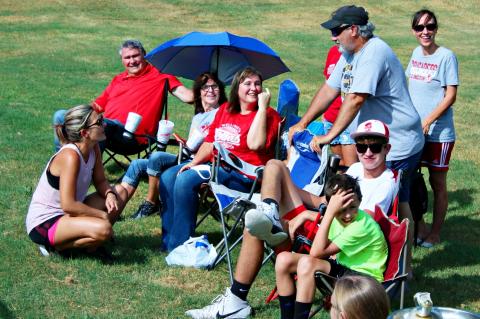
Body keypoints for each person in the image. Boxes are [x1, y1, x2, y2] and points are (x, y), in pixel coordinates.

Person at [185, 120, 396, 319]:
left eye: (375, 147)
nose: (367, 152)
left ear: (386, 149)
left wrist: (318, 213)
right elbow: (326, 201)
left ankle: (236, 298)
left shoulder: (386, 181)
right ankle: (270, 209)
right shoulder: (356, 169)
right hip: (326, 223)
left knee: (255, 227)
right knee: (275, 166)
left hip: (328, 237)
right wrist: (314, 208)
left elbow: (354, 219)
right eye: (361, 146)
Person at [288, 5, 424, 267]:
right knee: (381, 202)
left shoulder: (374, 52)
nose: (332, 37)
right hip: (373, 142)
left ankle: (400, 266)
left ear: (354, 30)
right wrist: (303, 123)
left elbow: (355, 99)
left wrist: (329, 136)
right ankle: (372, 257)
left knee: (391, 206)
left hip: (397, 141)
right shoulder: (348, 53)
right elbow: (330, 89)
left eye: (337, 31)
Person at [159, 67, 281, 253]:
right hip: (219, 167)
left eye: (257, 84)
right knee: (168, 176)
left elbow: (256, 144)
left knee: (185, 180)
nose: (253, 88)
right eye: (247, 83)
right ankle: (168, 241)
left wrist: (262, 109)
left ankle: (179, 246)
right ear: (236, 87)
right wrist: (193, 163)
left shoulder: (269, 115)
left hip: (245, 176)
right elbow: (210, 142)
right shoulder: (226, 109)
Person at [275, 174, 387, 319]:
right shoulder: (337, 217)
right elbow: (325, 221)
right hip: (345, 269)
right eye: (341, 209)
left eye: (353, 207)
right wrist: (306, 214)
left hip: (365, 280)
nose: (347, 215)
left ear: (360, 201)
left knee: (308, 263)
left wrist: (331, 212)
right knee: (283, 259)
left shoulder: (361, 226)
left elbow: (316, 253)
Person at [53, 39, 193, 153]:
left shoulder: (160, 74)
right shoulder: (118, 79)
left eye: (135, 56)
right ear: (122, 60)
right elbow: (96, 106)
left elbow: (187, 97)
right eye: (127, 57)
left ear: (144, 55)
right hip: (105, 129)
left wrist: (207, 84)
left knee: (103, 125)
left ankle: (90, 173)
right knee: (60, 116)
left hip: (133, 137)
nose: (132, 61)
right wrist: (77, 113)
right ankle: (62, 164)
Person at [27, 105, 129, 259]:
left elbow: (100, 180)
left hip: (68, 214)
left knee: (120, 192)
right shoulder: (70, 156)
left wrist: (109, 194)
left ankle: (90, 246)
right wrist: (101, 215)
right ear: (84, 133)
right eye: (99, 122)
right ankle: (57, 246)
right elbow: (69, 205)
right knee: (105, 229)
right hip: (46, 222)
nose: (105, 124)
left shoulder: (93, 148)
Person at [120, 72, 227, 219]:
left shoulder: (222, 113)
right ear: (199, 92)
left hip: (202, 164)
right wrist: (184, 143)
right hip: (187, 158)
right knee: (137, 164)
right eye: (205, 87)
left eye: (214, 86)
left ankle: (151, 203)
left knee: (157, 157)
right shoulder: (199, 116)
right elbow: (193, 144)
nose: (210, 90)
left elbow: (216, 143)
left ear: (220, 91)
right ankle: (116, 208)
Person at [406, 9, 459, 248]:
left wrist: (427, 120)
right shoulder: (416, 53)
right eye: (420, 28)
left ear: (436, 29)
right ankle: (420, 226)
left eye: (430, 26)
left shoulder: (447, 56)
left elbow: (450, 96)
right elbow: (410, 90)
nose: (425, 32)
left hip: (439, 134)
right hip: (415, 132)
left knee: (437, 184)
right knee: (412, 180)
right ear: (413, 31)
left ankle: (435, 233)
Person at [322, 44, 357, 168]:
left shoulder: (358, 55)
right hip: (330, 119)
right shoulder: (333, 51)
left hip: (348, 121)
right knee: (338, 166)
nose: (334, 37)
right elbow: (327, 83)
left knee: (351, 169)